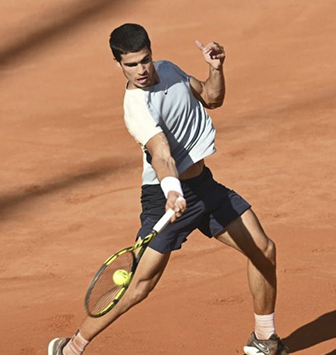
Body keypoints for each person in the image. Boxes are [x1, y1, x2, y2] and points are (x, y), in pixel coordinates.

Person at [48, 23, 288, 355]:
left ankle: (264, 340)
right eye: (131, 65)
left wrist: (215, 68)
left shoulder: (169, 69)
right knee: (137, 287)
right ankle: (70, 347)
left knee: (263, 250)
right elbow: (161, 153)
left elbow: (211, 97)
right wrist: (173, 191)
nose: (141, 70)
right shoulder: (136, 107)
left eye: (144, 60)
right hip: (164, 197)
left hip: (205, 187)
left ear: (151, 53)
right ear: (118, 64)